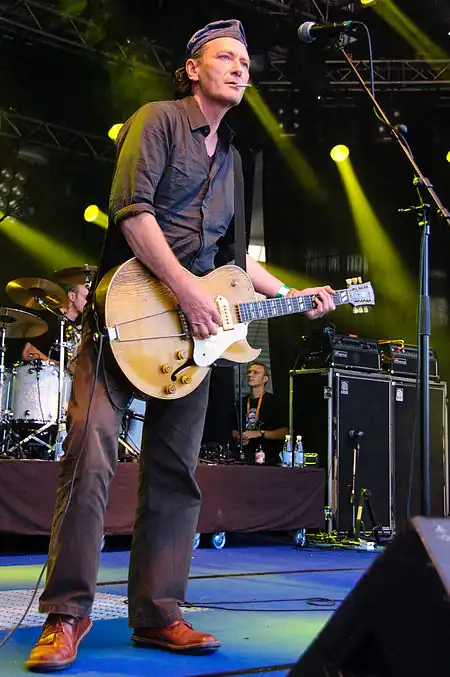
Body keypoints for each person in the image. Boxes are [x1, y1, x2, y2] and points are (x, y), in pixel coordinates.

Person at [25, 19, 335, 672]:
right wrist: (187, 292)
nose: (240, 67)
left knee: (175, 472)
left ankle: (159, 612)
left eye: (246, 61)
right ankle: (65, 614)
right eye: (226, 57)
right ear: (192, 67)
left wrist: (296, 292)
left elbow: (233, 262)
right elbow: (133, 212)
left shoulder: (233, 162)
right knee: (90, 451)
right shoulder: (157, 121)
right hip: (127, 312)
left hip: (193, 338)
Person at [231, 361, 288, 465]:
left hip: (268, 458)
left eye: (255, 372)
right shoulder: (240, 402)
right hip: (243, 457)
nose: (250, 375)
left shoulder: (274, 402)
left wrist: (259, 433)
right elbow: (232, 430)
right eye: (249, 372)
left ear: (265, 379)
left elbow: (286, 432)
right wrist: (241, 436)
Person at [21, 283, 88, 366]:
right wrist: (62, 367)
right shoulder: (50, 319)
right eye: (86, 298)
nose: (89, 302)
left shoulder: (83, 324)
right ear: (72, 296)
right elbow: (28, 353)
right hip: (47, 375)